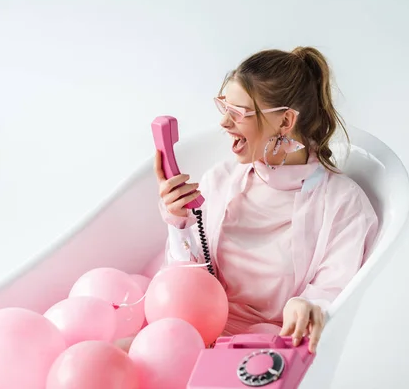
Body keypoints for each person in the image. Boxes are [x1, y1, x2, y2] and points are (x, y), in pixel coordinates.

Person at [154, 46, 378, 354]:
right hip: (187, 338)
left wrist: (308, 305)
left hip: (262, 352)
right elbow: (180, 291)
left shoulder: (343, 203)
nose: (224, 123)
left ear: (285, 122)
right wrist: (178, 223)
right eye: (224, 107)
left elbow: (335, 289)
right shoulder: (219, 179)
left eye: (239, 113)